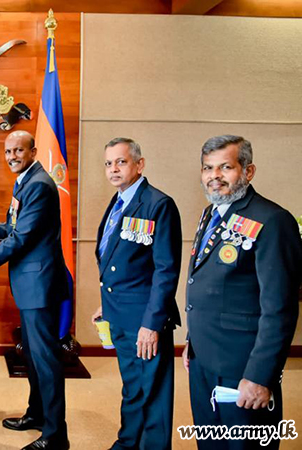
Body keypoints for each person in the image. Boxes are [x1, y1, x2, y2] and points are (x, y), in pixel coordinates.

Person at [183, 135, 302, 449]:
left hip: (243, 367)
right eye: (208, 168)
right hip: (204, 362)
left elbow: (280, 308)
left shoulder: (273, 221)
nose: (214, 176)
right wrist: (192, 343)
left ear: (248, 172)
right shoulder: (211, 214)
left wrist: (260, 376)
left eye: (226, 167)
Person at [0, 130, 69, 450]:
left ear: (33, 151)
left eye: (18, 151)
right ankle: (36, 415)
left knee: (45, 360)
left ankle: (55, 435)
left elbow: (21, 239)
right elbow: (18, 228)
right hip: (30, 284)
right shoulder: (26, 179)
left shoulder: (37, 184)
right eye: (8, 151)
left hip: (39, 285)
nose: (12, 157)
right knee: (34, 358)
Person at [91, 138, 181, 449]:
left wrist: (152, 324)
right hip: (120, 314)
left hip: (145, 320)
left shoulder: (158, 204)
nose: (113, 169)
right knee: (133, 388)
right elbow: (119, 261)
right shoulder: (119, 202)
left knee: (152, 392)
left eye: (121, 162)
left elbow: (165, 270)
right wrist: (107, 305)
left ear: (139, 165)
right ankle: (128, 442)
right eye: (108, 163)